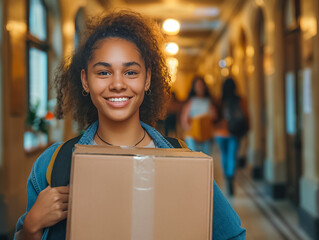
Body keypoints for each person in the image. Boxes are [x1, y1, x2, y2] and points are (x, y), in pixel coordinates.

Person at [14, 11, 246, 240]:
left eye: (131, 72)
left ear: (147, 79)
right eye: (104, 72)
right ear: (85, 80)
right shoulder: (53, 165)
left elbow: (233, 235)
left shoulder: (183, 161)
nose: (117, 84)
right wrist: (31, 228)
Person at [215, 77, 249, 196]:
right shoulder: (240, 100)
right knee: (232, 155)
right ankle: (230, 176)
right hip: (235, 132)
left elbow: (215, 117)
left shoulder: (220, 100)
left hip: (221, 132)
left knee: (224, 155)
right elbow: (246, 115)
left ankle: (227, 175)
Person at [181, 76, 216, 155]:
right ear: (194, 88)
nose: (199, 88)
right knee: (195, 157)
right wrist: (192, 130)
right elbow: (184, 120)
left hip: (206, 134)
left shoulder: (208, 102)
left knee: (206, 157)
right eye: (197, 86)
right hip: (193, 135)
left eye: (201, 85)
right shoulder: (191, 102)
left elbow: (214, 117)